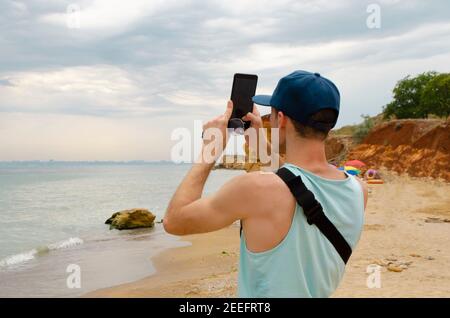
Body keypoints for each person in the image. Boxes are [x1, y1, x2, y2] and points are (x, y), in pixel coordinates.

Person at [164, 70, 367, 297]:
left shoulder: (254, 189)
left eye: (272, 116)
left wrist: (209, 152)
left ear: (280, 119)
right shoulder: (359, 190)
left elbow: (174, 221)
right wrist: (257, 141)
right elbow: (295, 181)